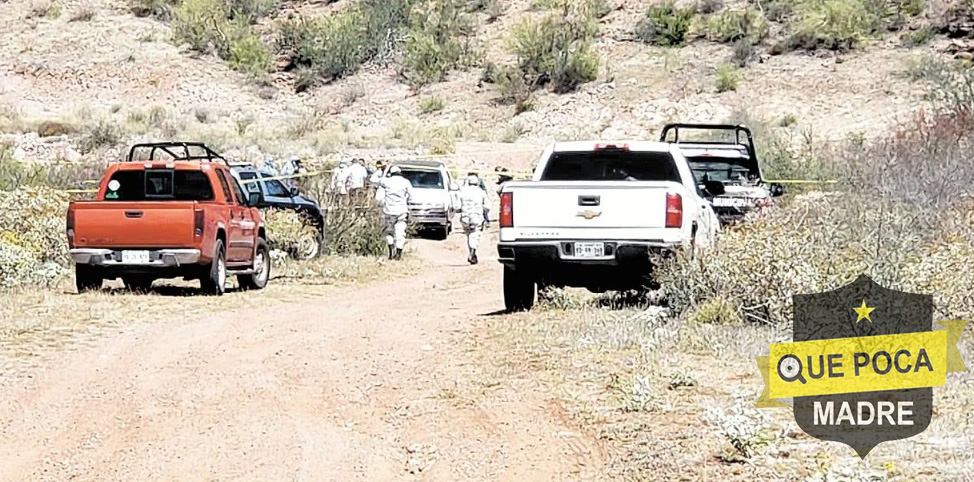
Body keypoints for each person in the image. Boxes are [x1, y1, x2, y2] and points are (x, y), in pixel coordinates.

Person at [375, 165, 413, 260]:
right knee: (400, 232)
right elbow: (412, 196)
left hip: (388, 211)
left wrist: (383, 169)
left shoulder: (386, 181)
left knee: (388, 232)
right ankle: (399, 253)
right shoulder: (405, 182)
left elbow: (373, 179)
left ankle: (391, 251)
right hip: (401, 211)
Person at [458, 174, 490, 265]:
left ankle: (472, 254)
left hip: (465, 218)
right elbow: (487, 206)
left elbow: (457, 205)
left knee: (469, 235)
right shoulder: (481, 192)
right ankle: (472, 253)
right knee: (475, 235)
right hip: (477, 218)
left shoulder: (462, 191)